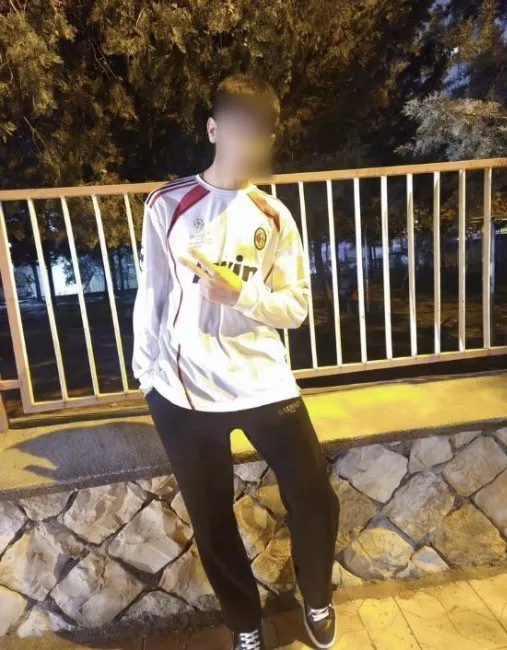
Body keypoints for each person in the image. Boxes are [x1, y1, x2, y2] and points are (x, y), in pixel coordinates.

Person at [132, 73, 339, 650]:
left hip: (262, 380)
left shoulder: (273, 216)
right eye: (239, 132)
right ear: (213, 130)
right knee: (211, 516)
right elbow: (153, 294)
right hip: (184, 388)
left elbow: (295, 308)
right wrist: (147, 377)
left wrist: (240, 294)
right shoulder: (168, 205)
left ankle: (316, 597)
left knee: (313, 494)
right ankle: (245, 623)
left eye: (260, 136)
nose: (249, 146)